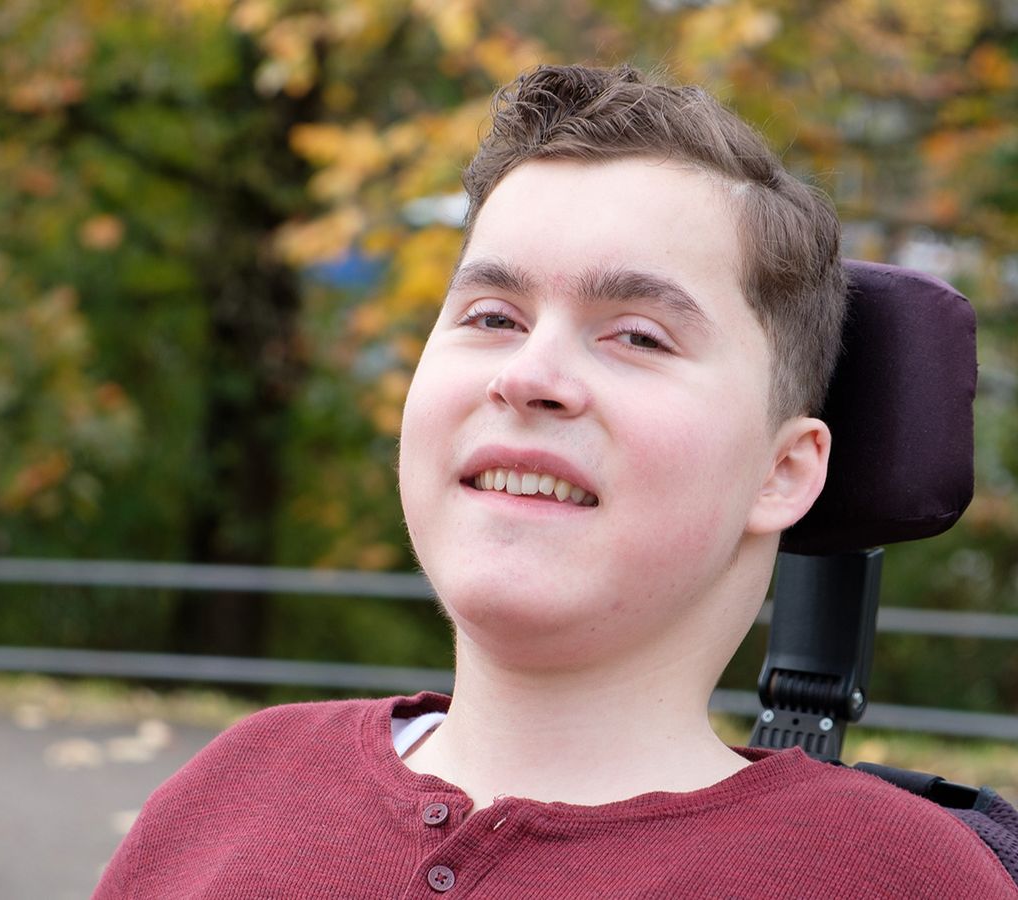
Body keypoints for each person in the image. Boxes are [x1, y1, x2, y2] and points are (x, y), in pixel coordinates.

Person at [93, 64, 1017, 898]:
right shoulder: (232, 791)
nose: (528, 374)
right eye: (492, 316)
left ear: (782, 471)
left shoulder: (896, 879)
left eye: (637, 335)